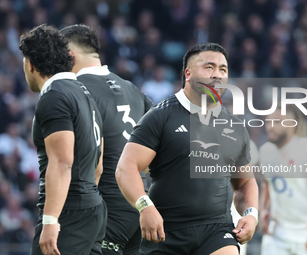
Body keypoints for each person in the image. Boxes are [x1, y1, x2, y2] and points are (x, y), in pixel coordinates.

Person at [116, 42, 259, 255]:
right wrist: (145, 206)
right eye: (209, 67)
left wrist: (250, 214)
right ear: (188, 73)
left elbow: (245, 181)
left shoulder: (234, 126)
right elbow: (126, 167)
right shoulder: (160, 116)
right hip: (165, 231)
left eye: (223, 69)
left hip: (216, 230)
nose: (217, 75)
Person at [60, 24, 153, 255]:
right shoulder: (133, 89)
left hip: (105, 213)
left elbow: (93, 163)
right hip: (138, 208)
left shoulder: (76, 91)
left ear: (69, 55)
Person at [19, 24, 107, 255]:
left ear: (31, 64)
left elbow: (62, 162)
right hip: (93, 208)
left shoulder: (54, 95)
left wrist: (50, 221)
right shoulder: (85, 93)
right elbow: (97, 166)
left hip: (69, 213)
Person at [260, 105, 307, 255]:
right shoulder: (265, 151)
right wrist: (263, 210)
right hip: (277, 234)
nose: (270, 127)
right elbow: (266, 183)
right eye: (268, 122)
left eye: (277, 121)